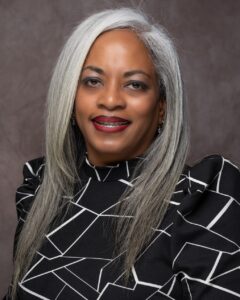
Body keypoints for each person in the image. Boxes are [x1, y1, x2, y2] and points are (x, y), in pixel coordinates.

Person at [4, 7, 240, 300]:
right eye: (92, 81)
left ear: (163, 106)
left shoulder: (202, 201)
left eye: (134, 84)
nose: (111, 100)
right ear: (71, 96)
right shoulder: (40, 194)